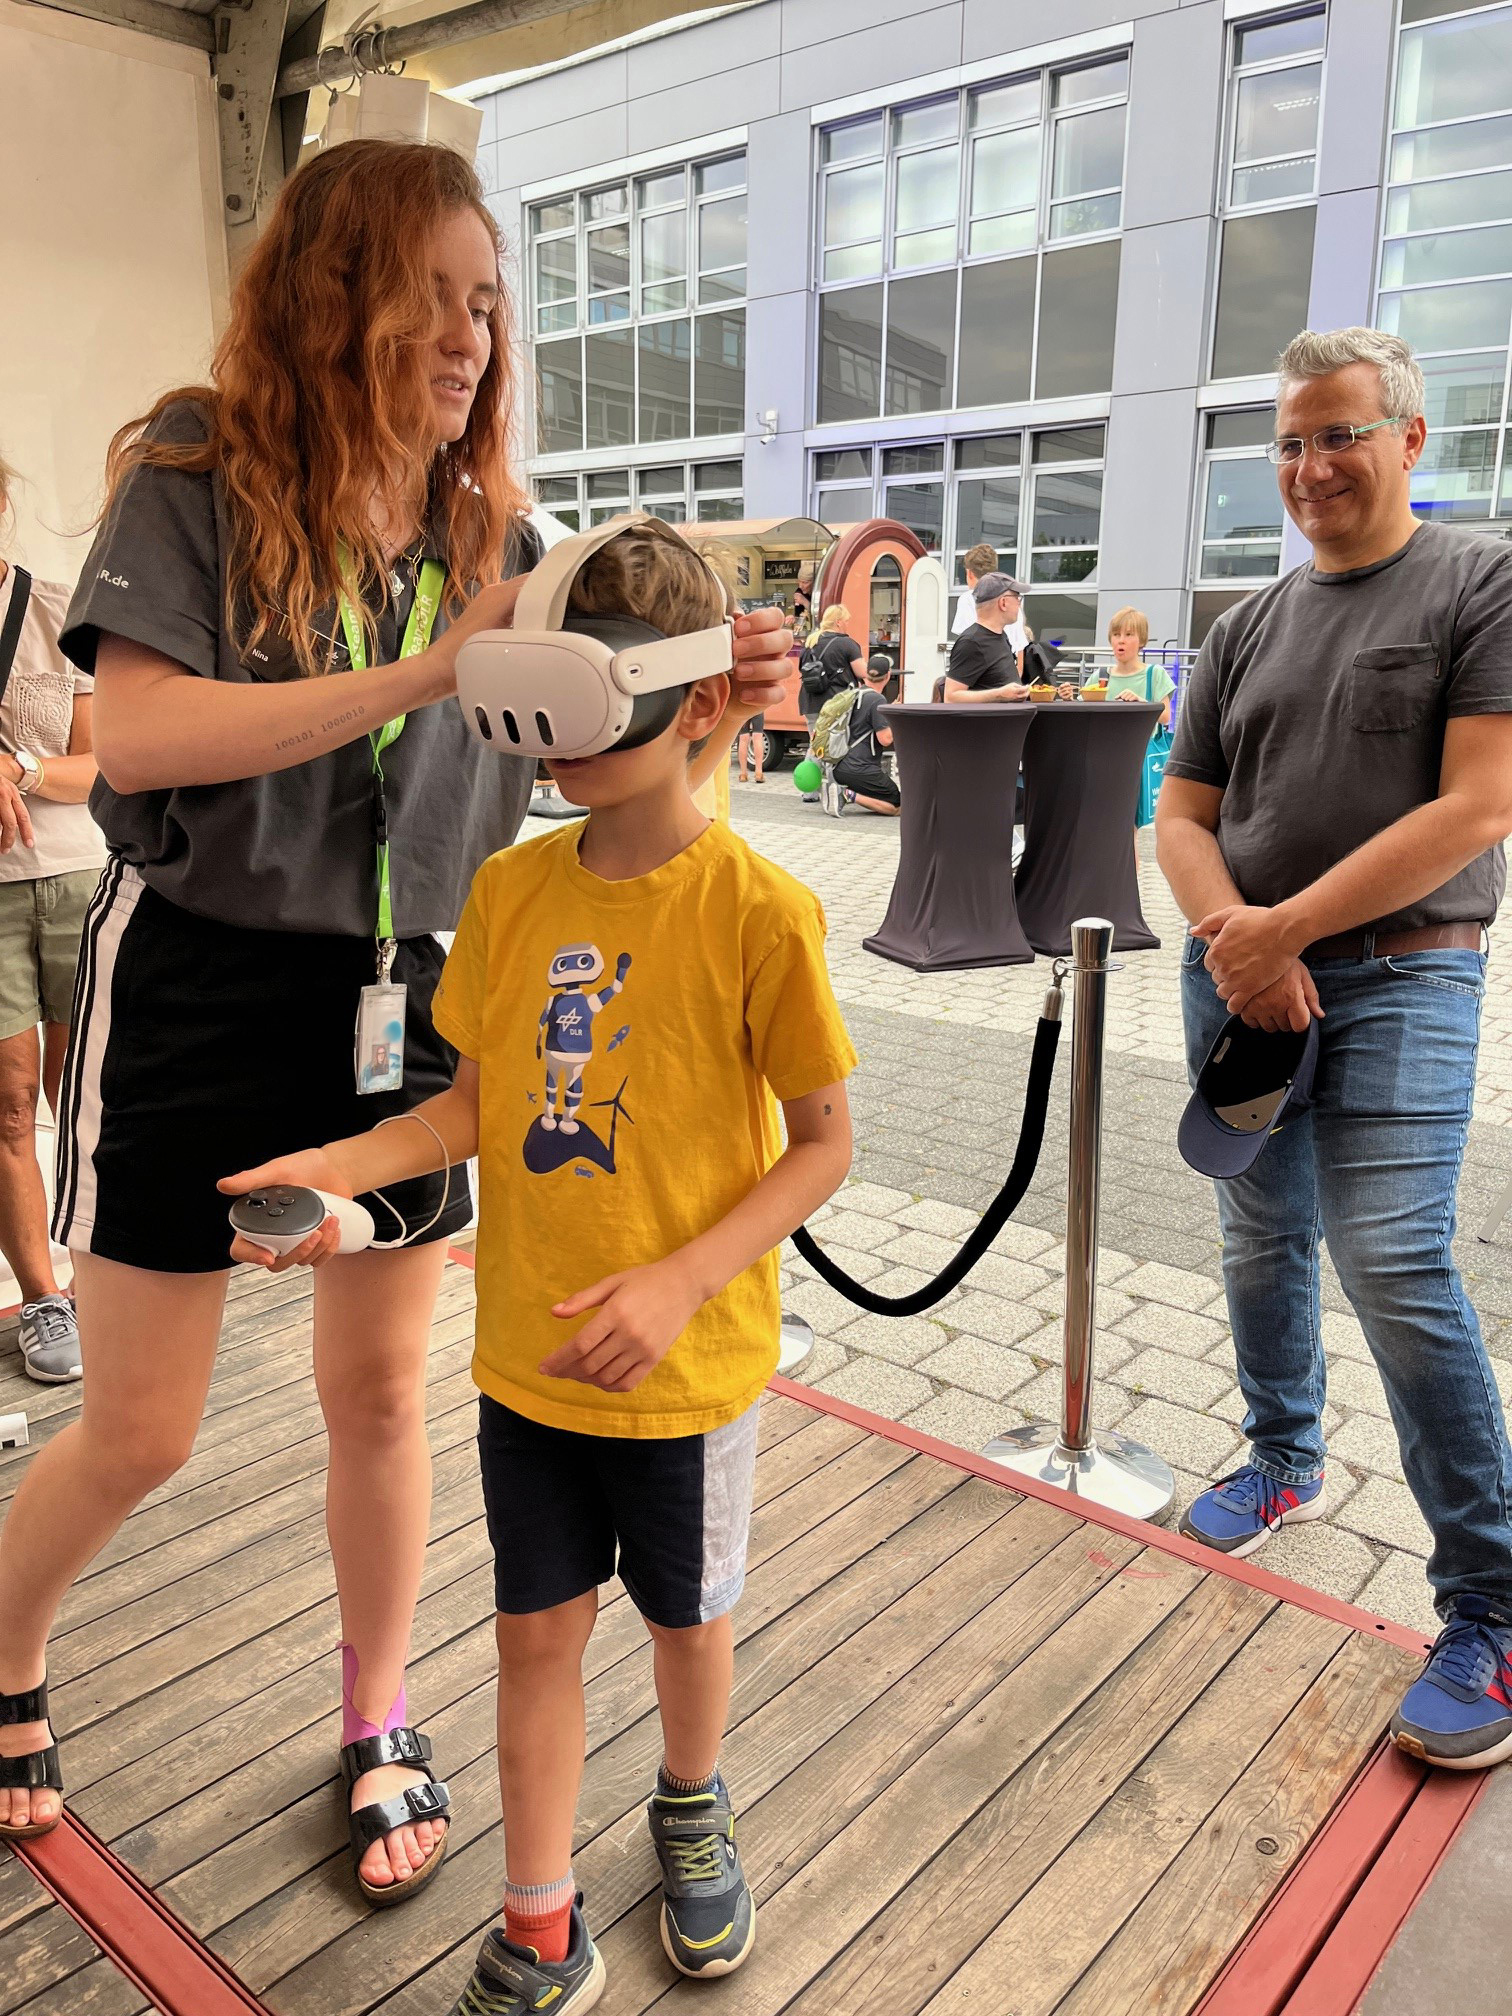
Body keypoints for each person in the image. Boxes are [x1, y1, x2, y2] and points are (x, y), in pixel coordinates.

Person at [0, 141, 795, 1873]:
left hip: (417, 1000)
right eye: (426, 296)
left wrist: (713, 706)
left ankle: (375, 1712)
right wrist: (437, 665)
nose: (464, 338)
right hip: (203, 984)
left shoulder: (495, 532)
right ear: (328, 294)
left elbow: (613, 776)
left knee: (382, 1398)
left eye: (483, 302)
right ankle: (4, 1649)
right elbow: (136, 740)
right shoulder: (199, 469)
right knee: (141, 1428)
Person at [219, 517, 856, 2013]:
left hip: (691, 1380)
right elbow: (471, 1107)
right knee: (533, 1631)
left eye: (587, 698)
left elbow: (821, 1146)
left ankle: (691, 1803)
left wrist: (681, 1278)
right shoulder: (509, 894)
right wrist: (340, 1175)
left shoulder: (764, 911)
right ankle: (540, 1906)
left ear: (697, 703)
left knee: (689, 1625)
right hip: (528, 1369)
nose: (549, 746)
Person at [1157, 325, 1512, 1772]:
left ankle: (1489, 1607)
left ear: (1410, 439)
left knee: (1395, 1261)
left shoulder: (1480, 578)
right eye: (1292, 442)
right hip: (1245, 977)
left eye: (1340, 435)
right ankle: (1287, 1460)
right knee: (1257, 1239)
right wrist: (1240, 937)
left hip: (1404, 976)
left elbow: (1481, 806)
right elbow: (1175, 817)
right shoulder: (1246, 622)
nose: (1311, 467)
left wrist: (1283, 930)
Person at [0, 453, 103, 1384]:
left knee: (80, 1096)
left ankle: (107, 1279)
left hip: (72, 878)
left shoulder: (57, 610)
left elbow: (100, 762)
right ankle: (43, 1299)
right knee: (6, 1103)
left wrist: (19, 772)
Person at [944, 574, 1030, 703]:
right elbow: (951, 698)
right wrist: (999, 695)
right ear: (1003, 603)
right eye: (1017, 597)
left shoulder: (1001, 636)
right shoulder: (971, 642)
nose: (1019, 603)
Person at [834, 657, 899, 815]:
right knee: (898, 806)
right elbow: (885, 739)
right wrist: (895, 719)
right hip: (861, 769)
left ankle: (843, 790)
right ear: (888, 675)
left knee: (883, 796)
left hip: (840, 767)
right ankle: (846, 795)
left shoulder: (854, 694)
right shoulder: (877, 699)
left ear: (866, 674)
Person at [952, 541, 1028, 663]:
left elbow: (966, 644)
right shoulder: (1010, 600)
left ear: (969, 573)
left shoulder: (967, 599)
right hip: (1008, 665)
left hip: (983, 667)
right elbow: (1020, 648)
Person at [799, 603, 862, 734]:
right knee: (835, 747)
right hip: (836, 702)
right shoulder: (847, 643)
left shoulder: (810, 642)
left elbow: (802, 668)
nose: (847, 624)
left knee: (816, 744)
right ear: (838, 622)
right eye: (846, 621)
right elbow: (862, 672)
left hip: (810, 702)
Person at [736, 709, 765, 784]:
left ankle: (743, 774)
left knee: (743, 739)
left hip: (743, 707)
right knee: (757, 737)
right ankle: (759, 773)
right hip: (757, 706)